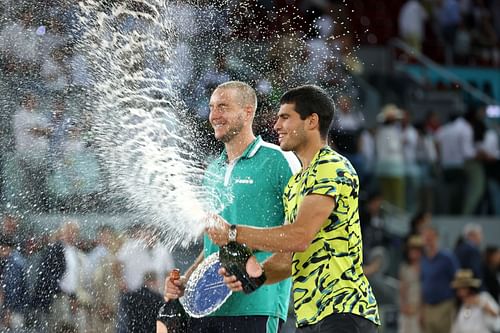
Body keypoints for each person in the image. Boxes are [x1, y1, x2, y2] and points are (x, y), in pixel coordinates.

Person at [207, 85, 380, 332]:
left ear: (311, 122)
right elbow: (291, 257)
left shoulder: (331, 166)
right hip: (310, 316)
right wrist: (254, 277)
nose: (276, 126)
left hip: (343, 309)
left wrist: (233, 233)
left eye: (285, 117)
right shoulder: (297, 182)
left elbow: (298, 237)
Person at [163, 81, 300, 332]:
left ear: (247, 112)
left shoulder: (279, 160)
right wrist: (189, 280)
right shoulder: (212, 170)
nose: (214, 115)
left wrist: (260, 274)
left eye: (223, 107)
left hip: (258, 305)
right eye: (212, 107)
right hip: (208, 308)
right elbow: (215, 244)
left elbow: (301, 235)